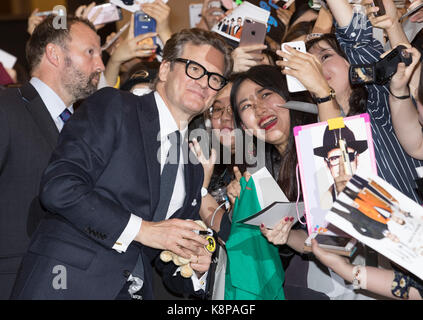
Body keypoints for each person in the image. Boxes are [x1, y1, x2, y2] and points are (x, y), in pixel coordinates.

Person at [10, 28, 232, 300]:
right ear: (164, 70)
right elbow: (60, 187)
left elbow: (165, 253)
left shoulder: (194, 165)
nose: (204, 83)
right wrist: (144, 230)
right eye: (195, 68)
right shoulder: (115, 106)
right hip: (65, 284)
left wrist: (195, 266)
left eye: (215, 78)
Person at [0, 16, 105, 300]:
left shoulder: (88, 126)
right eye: (90, 52)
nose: (101, 65)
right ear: (54, 54)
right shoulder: (6, 107)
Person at [227, 64, 322, 299]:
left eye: (266, 94)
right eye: (246, 106)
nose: (259, 109)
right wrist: (239, 204)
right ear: (242, 126)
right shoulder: (259, 172)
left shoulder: (322, 142)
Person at [313, 125, 369, 209]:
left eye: (348, 156)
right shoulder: (323, 204)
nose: (342, 165)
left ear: (357, 158)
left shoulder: (375, 190)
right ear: (327, 164)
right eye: (334, 158)